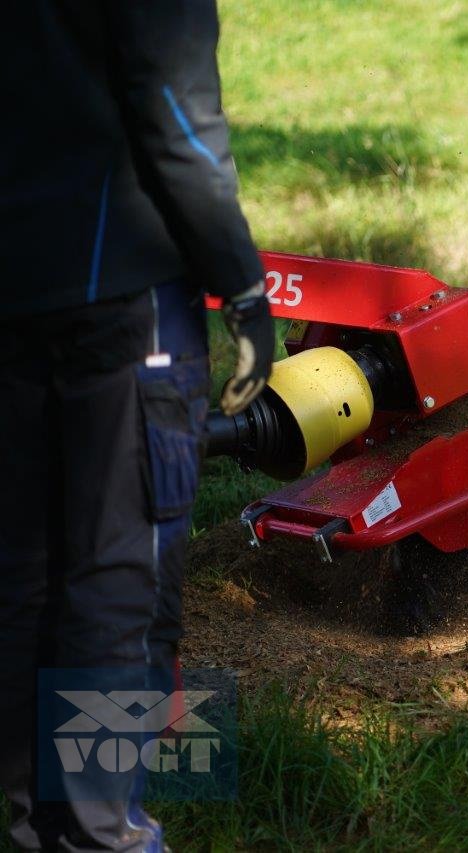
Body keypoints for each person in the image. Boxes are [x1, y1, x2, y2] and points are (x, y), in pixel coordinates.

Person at [0, 2, 275, 849]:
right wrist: (243, 285)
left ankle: (34, 820)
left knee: (26, 571)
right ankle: (101, 833)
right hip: (121, 296)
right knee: (116, 579)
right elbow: (174, 112)